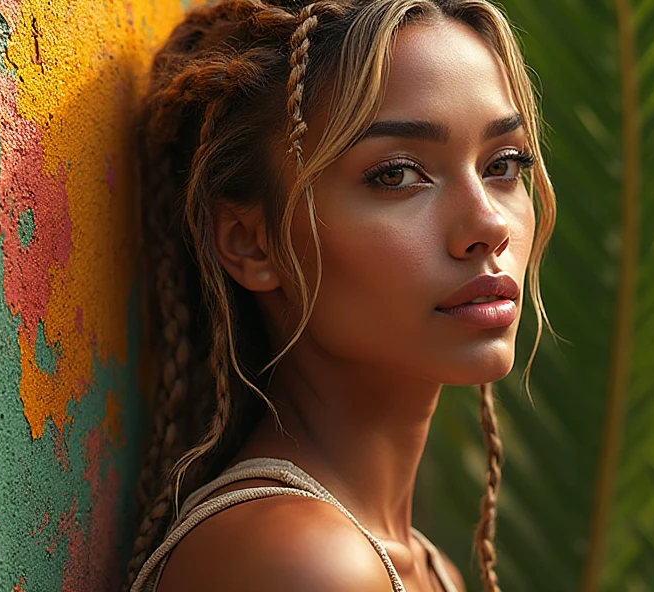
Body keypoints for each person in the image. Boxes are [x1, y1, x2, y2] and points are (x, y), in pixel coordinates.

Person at [123, 1, 556, 590]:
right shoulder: (302, 562)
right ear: (253, 243)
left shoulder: (427, 568)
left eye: (504, 164)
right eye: (397, 174)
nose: (488, 224)